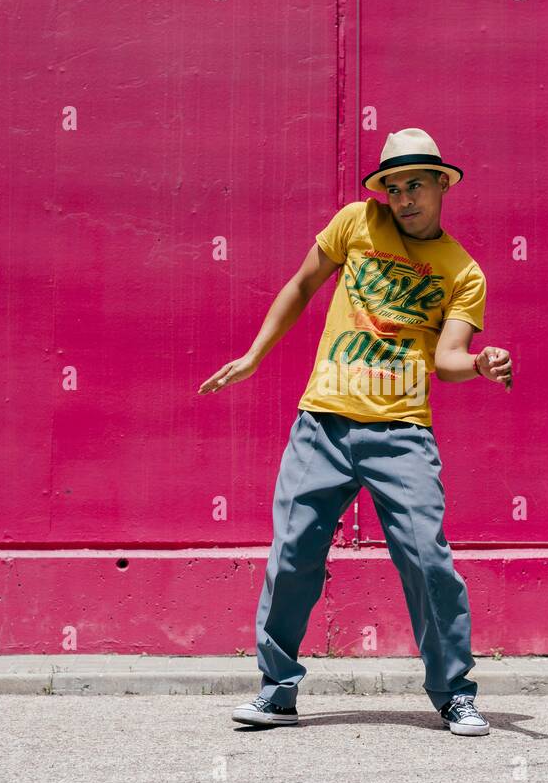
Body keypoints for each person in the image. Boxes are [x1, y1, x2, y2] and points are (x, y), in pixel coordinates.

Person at [197, 128, 513, 736]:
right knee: (292, 556)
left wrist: (477, 364)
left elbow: (447, 360)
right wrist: (256, 355)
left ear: (442, 185)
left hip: (401, 434)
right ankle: (277, 691)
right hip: (323, 423)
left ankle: (454, 694)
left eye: (416, 184)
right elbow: (300, 285)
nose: (403, 197)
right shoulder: (354, 223)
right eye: (393, 186)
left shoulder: (463, 271)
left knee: (428, 561)